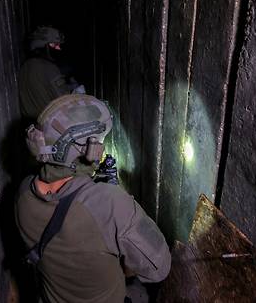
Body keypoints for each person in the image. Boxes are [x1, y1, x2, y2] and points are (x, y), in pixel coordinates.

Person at [15, 94, 171, 303]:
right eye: (99, 141)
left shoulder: (22, 193)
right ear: (85, 148)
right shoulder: (111, 204)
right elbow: (159, 268)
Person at [19, 26, 84, 122]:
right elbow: (64, 101)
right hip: (49, 126)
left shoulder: (26, 65)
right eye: (54, 45)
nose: (58, 48)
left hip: (32, 123)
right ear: (42, 45)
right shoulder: (48, 68)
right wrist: (78, 92)